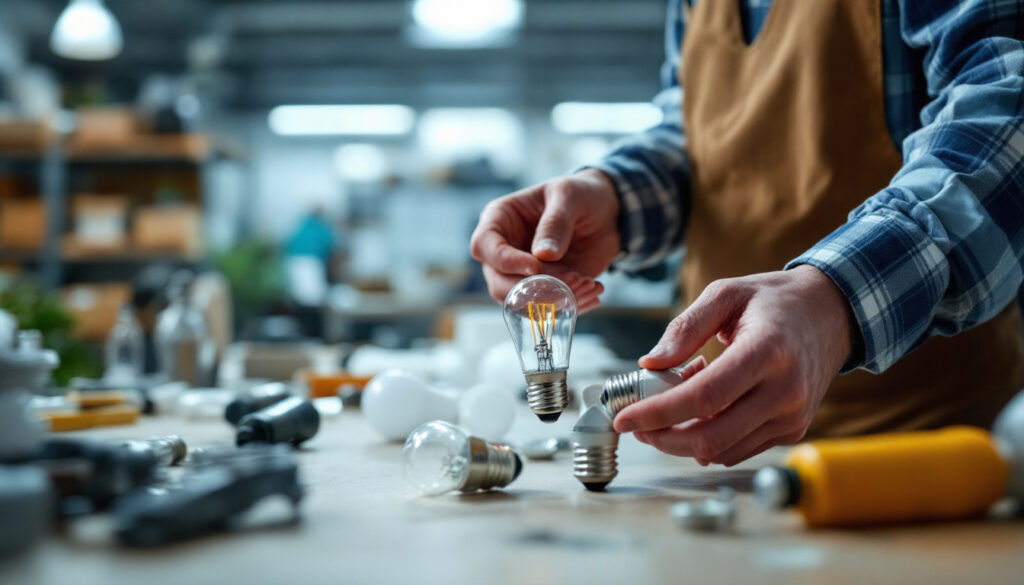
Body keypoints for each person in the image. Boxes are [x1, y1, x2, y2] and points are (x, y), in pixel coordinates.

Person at [470, 0, 1024, 466]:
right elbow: (693, 131)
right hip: (716, 446)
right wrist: (615, 197)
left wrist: (837, 300)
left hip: (925, 456)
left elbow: (1006, 110)